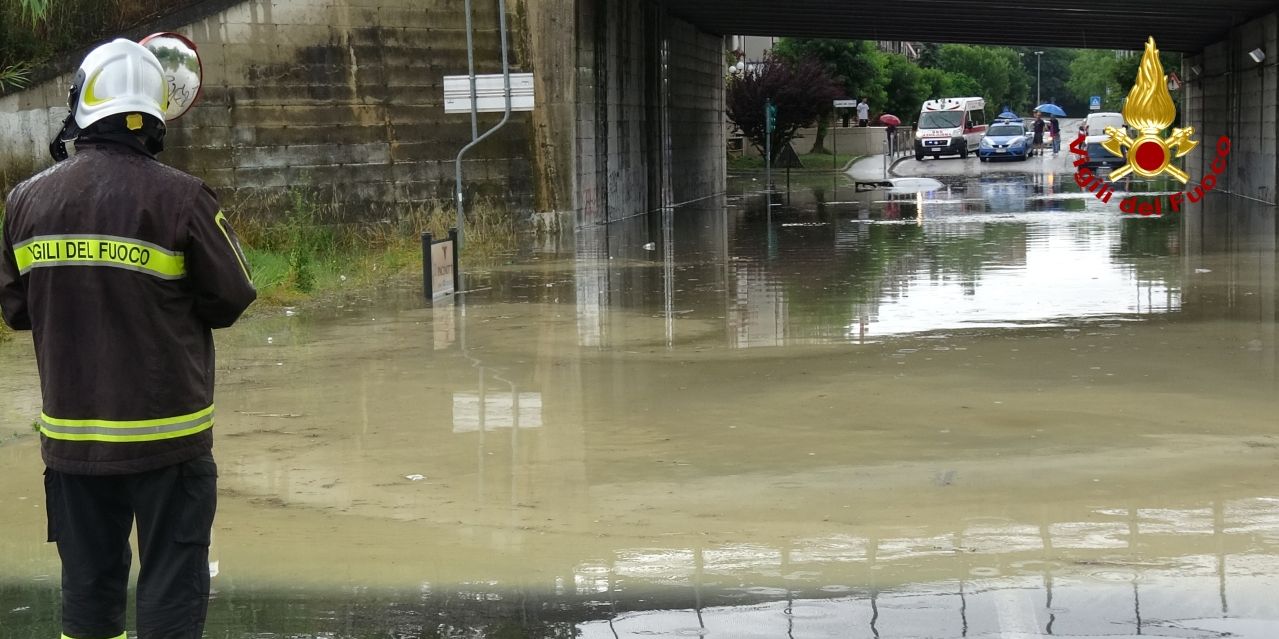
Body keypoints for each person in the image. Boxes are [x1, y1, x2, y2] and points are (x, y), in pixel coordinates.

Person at [0, 38, 256, 639]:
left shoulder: (25, 201)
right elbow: (233, 297)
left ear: (82, 104)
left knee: (88, 595)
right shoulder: (184, 198)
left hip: (74, 439)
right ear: (155, 114)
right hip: (170, 440)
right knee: (171, 585)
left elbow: (17, 310)